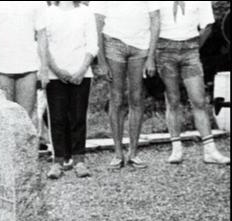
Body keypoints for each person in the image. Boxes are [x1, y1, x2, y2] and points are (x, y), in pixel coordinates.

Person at [156, 0, 229, 165]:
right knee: (172, 99)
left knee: (199, 100)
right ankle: (176, 148)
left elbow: (208, 25)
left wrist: (194, 47)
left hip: (190, 51)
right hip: (164, 50)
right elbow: (151, 24)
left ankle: (210, 151)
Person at [94, 1, 161, 170]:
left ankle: (133, 153)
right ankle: (118, 153)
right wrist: (101, 59)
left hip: (140, 47)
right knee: (116, 98)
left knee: (136, 98)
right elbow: (98, 23)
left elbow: (155, 20)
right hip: (113, 44)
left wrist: (151, 57)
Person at [43, 1, 99, 180]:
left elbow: (92, 44)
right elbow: (44, 45)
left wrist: (82, 70)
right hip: (55, 74)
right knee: (57, 118)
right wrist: (57, 70)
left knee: (78, 117)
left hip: (81, 73)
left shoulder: (85, 12)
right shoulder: (48, 12)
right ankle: (58, 161)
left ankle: (79, 160)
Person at [0, 1, 48, 121]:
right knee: (4, 120)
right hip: (1, 68)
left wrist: (44, 67)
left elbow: (42, 36)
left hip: (29, 67)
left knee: (25, 119)